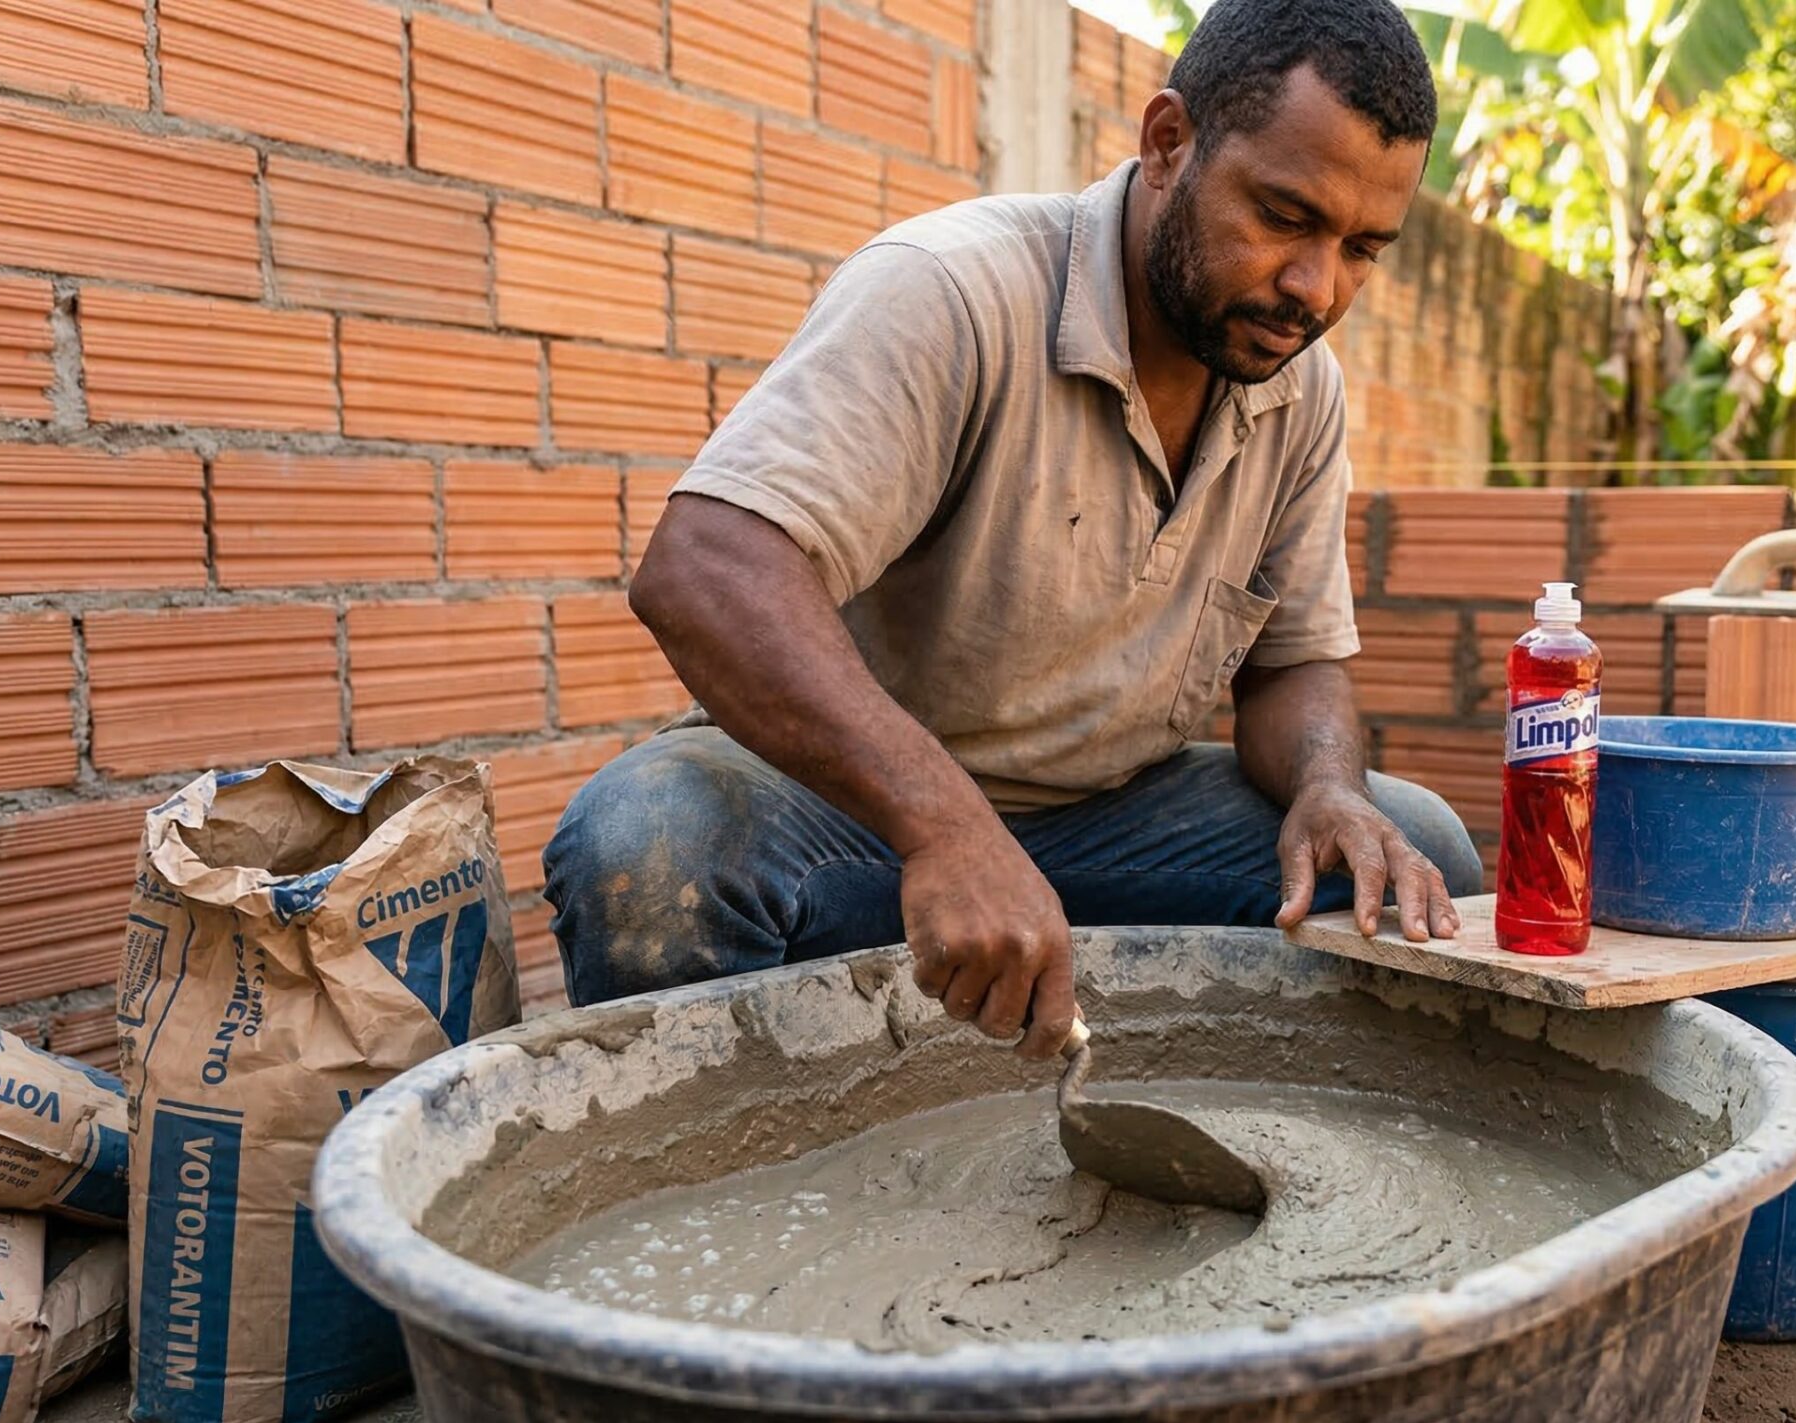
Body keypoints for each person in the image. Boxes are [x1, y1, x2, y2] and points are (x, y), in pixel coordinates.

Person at [542, 0, 1482, 1058]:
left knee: (1417, 855)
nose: (1316, 287)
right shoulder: (953, 288)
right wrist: (945, 827)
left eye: (1363, 248)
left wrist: (1326, 789)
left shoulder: (1297, 388)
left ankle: (1296, 1166)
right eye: (1282, 217)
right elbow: (704, 571)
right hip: (852, 825)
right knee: (651, 842)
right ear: (1169, 141)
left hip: (1116, 824)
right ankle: (730, 1191)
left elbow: (1292, 666)